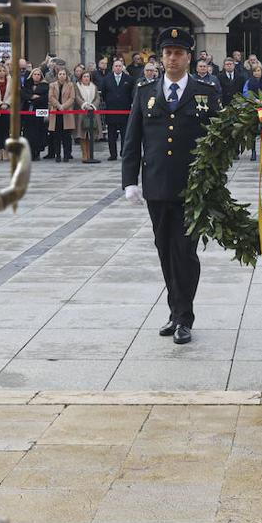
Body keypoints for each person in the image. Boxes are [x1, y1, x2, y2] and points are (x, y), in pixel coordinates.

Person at [121, 27, 221, 346]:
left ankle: (184, 316)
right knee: (164, 250)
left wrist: (215, 182)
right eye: (167, 53)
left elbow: (218, 142)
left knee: (185, 252)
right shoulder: (145, 91)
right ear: (161, 58)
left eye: (178, 53)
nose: (172, 58)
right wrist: (129, 181)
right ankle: (175, 312)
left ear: (189, 58)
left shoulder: (206, 92)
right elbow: (132, 138)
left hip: (192, 188)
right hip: (156, 186)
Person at [100, 58, 135, 161]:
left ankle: (124, 152)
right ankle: (113, 154)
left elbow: (131, 94)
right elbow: (104, 93)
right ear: (113, 68)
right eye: (116, 66)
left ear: (122, 67)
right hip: (111, 110)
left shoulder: (129, 79)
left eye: (120, 66)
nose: (118, 68)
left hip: (125, 110)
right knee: (111, 135)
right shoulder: (106, 79)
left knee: (125, 135)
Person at [242, 61, 262, 160]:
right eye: (254, 71)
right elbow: (245, 92)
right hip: (253, 108)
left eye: (258, 71)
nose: (256, 73)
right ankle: (253, 152)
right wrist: (255, 100)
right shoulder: (249, 82)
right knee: (253, 131)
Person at [47, 65, 76, 162]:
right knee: (56, 136)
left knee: (67, 136)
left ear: (66, 75)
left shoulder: (70, 85)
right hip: (56, 112)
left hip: (66, 112)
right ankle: (57, 155)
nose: (62, 76)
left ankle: (67, 155)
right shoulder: (52, 85)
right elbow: (50, 97)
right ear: (57, 75)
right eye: (60, 74)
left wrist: (64, 106)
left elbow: (72, 98)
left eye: (64, 74)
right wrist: (59, 106)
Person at [75, 68, 102, 164]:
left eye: (88, 76)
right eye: (84, 76)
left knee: (91, 134)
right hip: (82, 112)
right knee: (83, 134)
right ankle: (84, 154)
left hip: (93, 112)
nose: (86, 78)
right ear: (81, 78)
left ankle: (90, 154)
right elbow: (77, 97)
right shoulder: (77, 86)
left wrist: (92, 106)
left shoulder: (94, 86)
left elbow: (97, 98)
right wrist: (85, 105)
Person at [23, 67, 49, 161]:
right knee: (29, 133)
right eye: (35, 74)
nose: (37, 76)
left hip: (40, 110)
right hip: (28, 111)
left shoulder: (45, 86)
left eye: (38, 74)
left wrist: (34, 98)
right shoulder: (27, 84)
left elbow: (45, 98)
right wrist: (31, 96)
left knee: (39, 132)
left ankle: (37, 152)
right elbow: (24, 95)